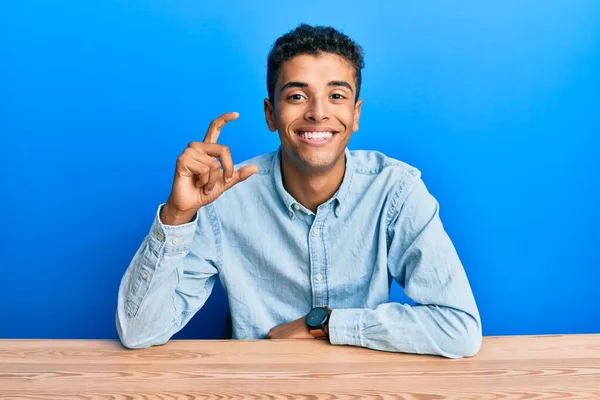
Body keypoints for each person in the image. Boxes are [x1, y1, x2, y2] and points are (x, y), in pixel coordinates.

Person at [116, 24, 482, 358]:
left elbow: (459, 328)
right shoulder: (223, 197)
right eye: (296, 97)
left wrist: (325, 325)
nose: (318, 113)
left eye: (336, 96)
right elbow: (137, 332)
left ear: (355, 114)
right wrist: (178, 216)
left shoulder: (396, 192)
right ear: (270, 114)